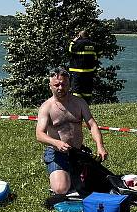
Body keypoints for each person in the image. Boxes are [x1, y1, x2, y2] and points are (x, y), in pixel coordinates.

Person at [36, 67, 108, 196]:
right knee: (60, 189)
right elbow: (39, 134)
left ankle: (75, 174)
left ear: (69, 84)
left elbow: (92, 124)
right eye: (56, 85)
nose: (60, 88)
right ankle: (64, 175)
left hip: (77, 151)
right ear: (50, 86)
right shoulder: (46, 107)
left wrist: (100, 146)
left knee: (101, 183)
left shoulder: (79, 102)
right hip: (57, 154)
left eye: (64, 84)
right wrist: (56, 143)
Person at [68, 29, 98, 101]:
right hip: (89, 71)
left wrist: (73, 41)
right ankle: (86, 104)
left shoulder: (78, 43)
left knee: (76, 89)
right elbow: (96, 56)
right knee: (87, 90)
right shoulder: (93, 44)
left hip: (77, 71)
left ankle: (76, 104)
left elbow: (70, 50)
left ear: (79, 36)